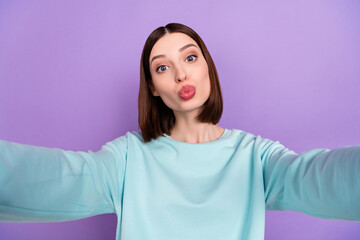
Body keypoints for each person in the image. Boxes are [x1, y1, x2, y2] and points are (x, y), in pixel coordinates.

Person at [0, 23, 359, 240]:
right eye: (162, 67)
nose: (181, 75)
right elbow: (61, 178)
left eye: (190, 58)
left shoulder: (256, 157)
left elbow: (321, 179)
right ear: (153, 87)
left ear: (207, 67)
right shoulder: (127, 158)